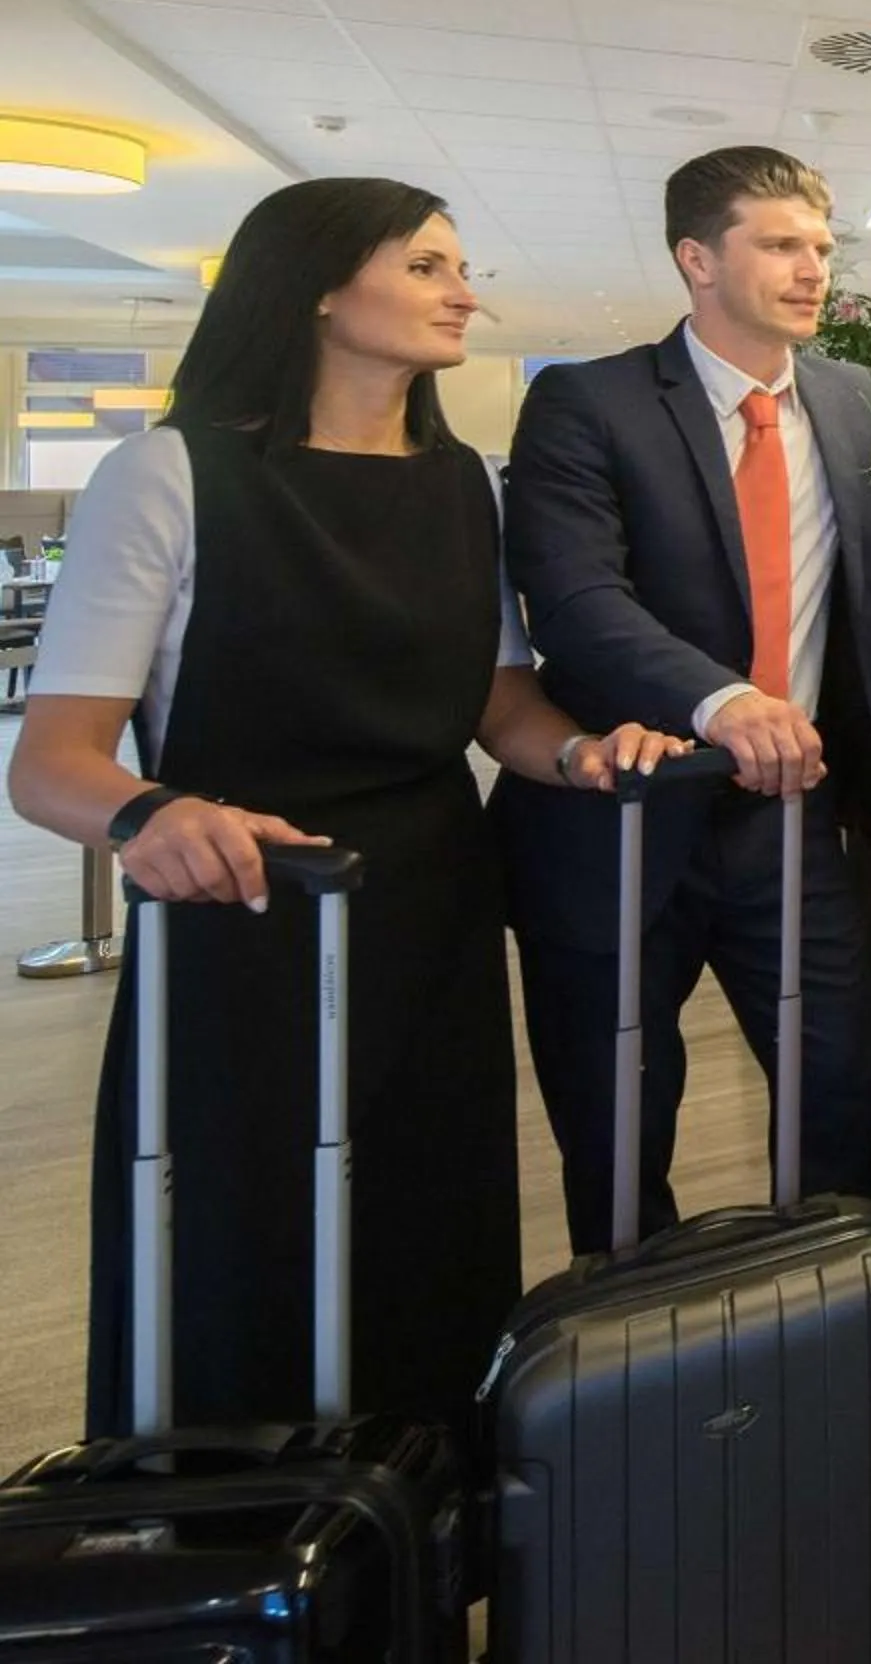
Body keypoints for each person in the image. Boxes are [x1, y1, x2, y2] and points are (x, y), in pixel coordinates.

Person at [6, 178, 680, 1436]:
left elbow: (501, 709)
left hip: (429, 913)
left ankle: (419, 1552)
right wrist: (153, 814)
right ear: (319, 284)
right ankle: (249, 1575)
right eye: (427, 265)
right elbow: (50, 761)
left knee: (430, 1233)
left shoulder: (463, 484)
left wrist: (585, 751)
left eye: (459, 267)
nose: (463, 292)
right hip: (242, 917)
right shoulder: (165, 475)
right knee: (240, 1243)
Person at [498, 146, 871, 1260]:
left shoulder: (850, 399)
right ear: (697, 258)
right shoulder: (586, 402)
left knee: (834, 1085)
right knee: (618, 1123)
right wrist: (720, 698)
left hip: (791, 820)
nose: (814, 270)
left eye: (822, 246)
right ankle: (632, 1369)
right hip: (627, 814)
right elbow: (575, 598)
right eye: (781, 244)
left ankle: (834, 1341)